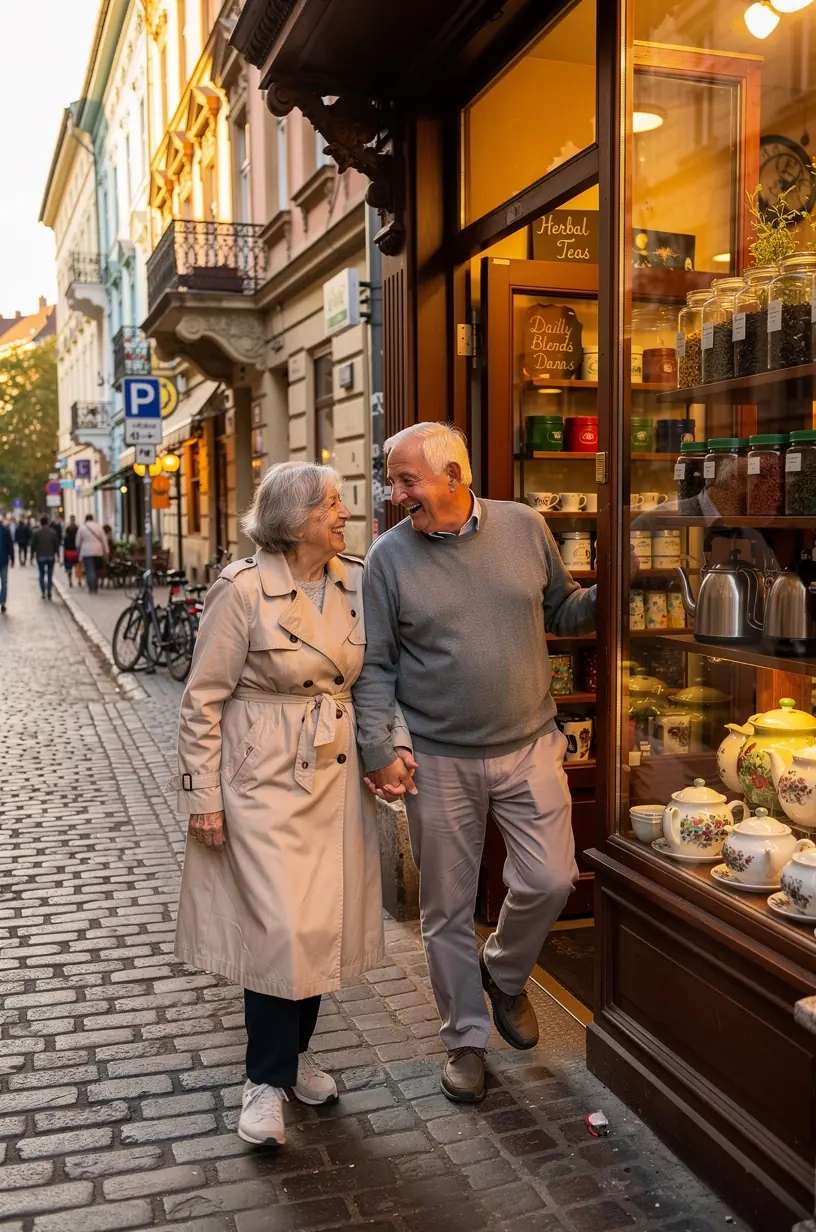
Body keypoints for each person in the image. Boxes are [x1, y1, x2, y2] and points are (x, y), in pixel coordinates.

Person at [353, 422, 597, 1105]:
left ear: (454, 476)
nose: (395, 494)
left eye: (407, 479)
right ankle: (464, 1040)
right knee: (447, 909)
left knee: (551, 879)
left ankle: (506, 975)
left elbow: (565, 608)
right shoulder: (387, 559)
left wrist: (616, 592)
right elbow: (374, 666)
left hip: (529, 743)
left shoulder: (524, 527)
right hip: (437, 758)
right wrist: (383, 747)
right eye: (391, 479)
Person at [170, 461, 411, 1148]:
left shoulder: (356, 581)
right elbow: (201, 701)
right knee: (278, 928)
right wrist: (202, 798)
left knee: (317, 926)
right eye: (332, 504)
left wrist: (388, 746)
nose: (345, 513)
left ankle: (296, 1053)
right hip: (263, 776)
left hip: (332, 776)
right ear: (294, 518)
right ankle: (263, 1081)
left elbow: (376, 679)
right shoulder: (242, 591)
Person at [76, 514, 108, 593]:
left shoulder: (82, 528)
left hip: (86, 551)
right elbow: (104, 539)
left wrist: (78, 551)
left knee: (90, 569)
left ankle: (92, 587)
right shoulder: (99, 527)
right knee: (96, 569)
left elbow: (77, 543)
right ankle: (95, 585)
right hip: (98, 551)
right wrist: (107, 551)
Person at [30, 516, 60, 601]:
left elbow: (33, 546)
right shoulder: (53, 532)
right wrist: (58, 556)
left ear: (40, 523)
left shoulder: (37, 533)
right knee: (50, 575)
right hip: (50, 556)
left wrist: (31, 557)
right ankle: (49, 592)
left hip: (40, 556)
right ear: (47, 522)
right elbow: (56, 545)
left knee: (41, 574)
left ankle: (43, 591)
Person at [0, 515, 14, 614]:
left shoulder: (5, 530)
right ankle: (3, 602)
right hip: (4, 560)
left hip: (4, 559)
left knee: (4, 582)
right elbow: (10, 545)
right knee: (4, 582)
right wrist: (12, 558)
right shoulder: (5, 530)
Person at [63, 516, 79, 588]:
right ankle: (79, 580)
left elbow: (64, 546)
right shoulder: (77, 533)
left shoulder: (66, 537)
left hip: (68, 553)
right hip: (76, 552)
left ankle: (70, 581)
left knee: (69, 568)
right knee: (78, 566)